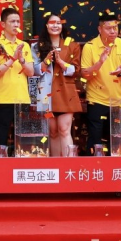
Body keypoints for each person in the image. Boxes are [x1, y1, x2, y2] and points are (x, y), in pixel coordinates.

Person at [31, 13, 82, 157]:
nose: (55, 25)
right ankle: (55, 164)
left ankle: (68, 165)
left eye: (58, 23)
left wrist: (60, 62)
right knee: (52, 132)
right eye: (52, 22)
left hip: (66, 94)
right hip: (46, 95)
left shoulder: (72, 45)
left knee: (64, 129)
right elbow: (34, 71)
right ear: (46, 25)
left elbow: (76, 70)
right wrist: (46, 61)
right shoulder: (36, 47)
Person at [80, 13, 121, 154]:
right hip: (96, 100)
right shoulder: (90, 46)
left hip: (117, 100)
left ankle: (115, 166)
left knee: (116, 141)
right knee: (95, 140)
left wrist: (120, 73)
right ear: (100, 29)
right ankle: (94, 165)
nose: (113, 31)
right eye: (109, 28)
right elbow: (85, 74)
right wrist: (100, 62)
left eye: (115, 28)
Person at [0, 7, 34, 156]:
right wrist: (12, 59)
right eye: (12, 21)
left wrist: (21, 59)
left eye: (18, 22)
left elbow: (30, 72)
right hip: (4, 98)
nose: (16, 25)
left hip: (22, 98)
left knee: (22, 140)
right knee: (0, 137)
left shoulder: (24, 45)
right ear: (3, 24)